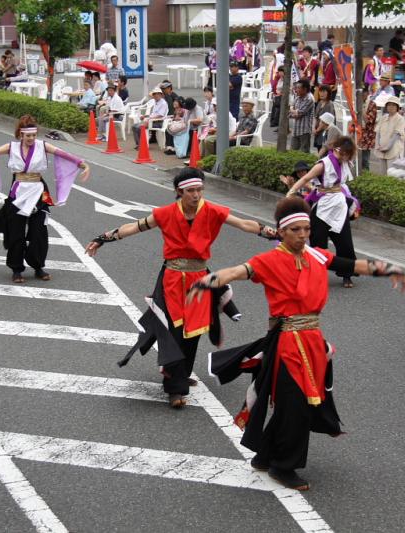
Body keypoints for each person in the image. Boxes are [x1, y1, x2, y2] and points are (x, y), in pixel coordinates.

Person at [190, 196, 405, 490]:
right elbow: (236, 272)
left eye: (307, 229)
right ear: (281, 232)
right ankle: (284, 466)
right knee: (295, 405)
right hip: (286, 342)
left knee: (296, 405)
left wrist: (389, 268)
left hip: (311, 340)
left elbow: (354, 264)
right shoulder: (268, 260)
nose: (304, 235)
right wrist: (206, 282)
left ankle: (266, 455)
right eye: (296, 230)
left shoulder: (318, 255)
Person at [85, 169, 277, 407]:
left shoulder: (212, 210)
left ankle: (182, 373)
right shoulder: (165, 214)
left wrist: (267, 231)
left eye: (199, 190)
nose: (196, 195)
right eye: (190, 191)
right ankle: (175, 389)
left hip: (199, 277)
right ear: (179, 192)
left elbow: (243, 223)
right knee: (174, 330)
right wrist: (103, 238)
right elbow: (133, 227)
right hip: (172, 278)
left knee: (193, 330)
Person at [0, 115, 90, 283]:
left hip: (39, 192)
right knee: (16, 233)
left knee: (39, 232)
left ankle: (38, 266)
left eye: (33, 135)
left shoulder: (43, 146)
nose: (31, 138)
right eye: (28, 136)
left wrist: (82, 164)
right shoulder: (11, 147)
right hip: (18, 192)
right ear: (20, 134)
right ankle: (16, 269)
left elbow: (63, 153)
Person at [282, 136, 360, 288]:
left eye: (348, 155)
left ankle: (347, 274)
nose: (346, 157)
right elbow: (306, 179)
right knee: (318, 242)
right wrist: (291, 191)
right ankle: (316, 273)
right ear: (338, 150)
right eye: (344, 153)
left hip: (338, 205)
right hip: (323, 206)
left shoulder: (344, 162)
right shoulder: (324, 164)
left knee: (344, 242)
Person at [370, 96, 405, 175]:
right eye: (389, 105)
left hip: (393, 149)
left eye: (393, 105)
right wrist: (378, 145)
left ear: (397, 107)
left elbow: (397, 135)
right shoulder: (384, 117)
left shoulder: (400, 119)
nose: (391, 107)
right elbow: (378, 132)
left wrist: (387, 147)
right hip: (381, 148)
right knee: (382, 173)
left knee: (392, 173)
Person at [290, 79, 315, 152]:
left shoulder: (309, 98)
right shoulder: (298, 97)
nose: (296, 90)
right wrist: (293, 111)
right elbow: (291, 109)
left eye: (298, 88)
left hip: (304, 130)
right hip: (295, 129)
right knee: (293, 151)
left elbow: (299, 113)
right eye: (296, 87)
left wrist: (293, 111)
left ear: (305, 89)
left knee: (304, 152)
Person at [313, 85, 335, 151]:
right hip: (318, 131)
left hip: (325, 132)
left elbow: (326, 121)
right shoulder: (320, 103)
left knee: (324, 150)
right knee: (319, 148)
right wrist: (313, 128)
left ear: (328, 93)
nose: (321, 93)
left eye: (324, 91)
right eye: (320, 91)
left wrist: (317, 130)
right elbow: (315, 116)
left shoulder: (329, 104)